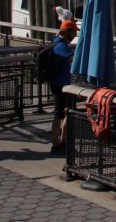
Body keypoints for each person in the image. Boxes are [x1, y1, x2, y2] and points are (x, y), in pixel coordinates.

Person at [50, 20, 76, 152]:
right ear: (67, 32)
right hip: (61, 85)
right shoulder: (61, 46)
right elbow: (73, 59)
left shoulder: (55, 41)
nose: (75, 34)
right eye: (74, 32)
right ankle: (57, 143)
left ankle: (60, 141)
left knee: (61, 113)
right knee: (60, 114)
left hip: (58, 83)